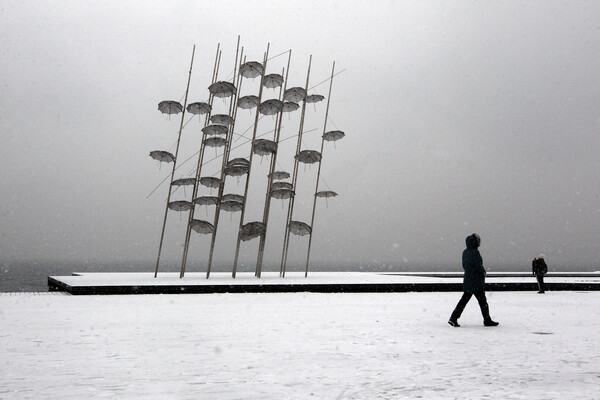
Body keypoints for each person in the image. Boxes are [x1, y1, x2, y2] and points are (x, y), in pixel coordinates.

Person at [448, 233, 499, 327]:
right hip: (476, 282)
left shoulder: (465, 252)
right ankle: (487, 320)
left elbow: (465, 266)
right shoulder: (475, 252)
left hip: (468, 280)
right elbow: (478, 265)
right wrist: (483, 272)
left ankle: (453, 318)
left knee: (464, 301)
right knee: (482, 302)